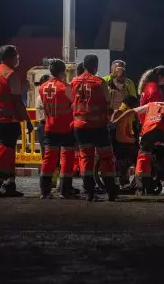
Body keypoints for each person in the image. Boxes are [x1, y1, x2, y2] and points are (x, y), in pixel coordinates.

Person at [0, 45, 33, 198]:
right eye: (16, 56)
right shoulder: (11, 75)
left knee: (8, 152)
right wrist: (27, 120)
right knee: (5, 151)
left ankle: (10, 185)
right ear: (10, 57)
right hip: (7, 119)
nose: (18, 58)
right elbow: (18, 101)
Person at [71, 54, 118, 201]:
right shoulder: (100, 83)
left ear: (84, 65)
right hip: (99, 127)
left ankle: (89, 193)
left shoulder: (73, 82)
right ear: (96, 66)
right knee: (106, 158)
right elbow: (109, 104)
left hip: (80, 126)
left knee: (86, 158)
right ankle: (111, 192)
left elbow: (70, 102)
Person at [113, 100, 164, 195]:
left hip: (149, 129)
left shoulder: (151, 105)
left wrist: (116, 121)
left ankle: (142, 186)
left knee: (143, 156)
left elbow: (131, 112)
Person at [38, 59, 77, 199]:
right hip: (66, 128)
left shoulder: (41, 87)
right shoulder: (65, 88)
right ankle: (65, 190)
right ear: (62, 72)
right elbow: (75, 106)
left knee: (49, 160)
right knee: (67, 159)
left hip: (49, 127)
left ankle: (45, 191)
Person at [110, 95, 139, 191]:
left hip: (121, 143)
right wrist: (133, 140)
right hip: (119, 145)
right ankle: (123, 183)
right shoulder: (121, 113)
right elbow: (120, 137)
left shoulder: (123, 113)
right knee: (132, 156)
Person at [34, 74, 50, 156]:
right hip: (45, 126)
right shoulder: (41, 97)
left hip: (46, 125)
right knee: (47, 154)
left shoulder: (42, 96)